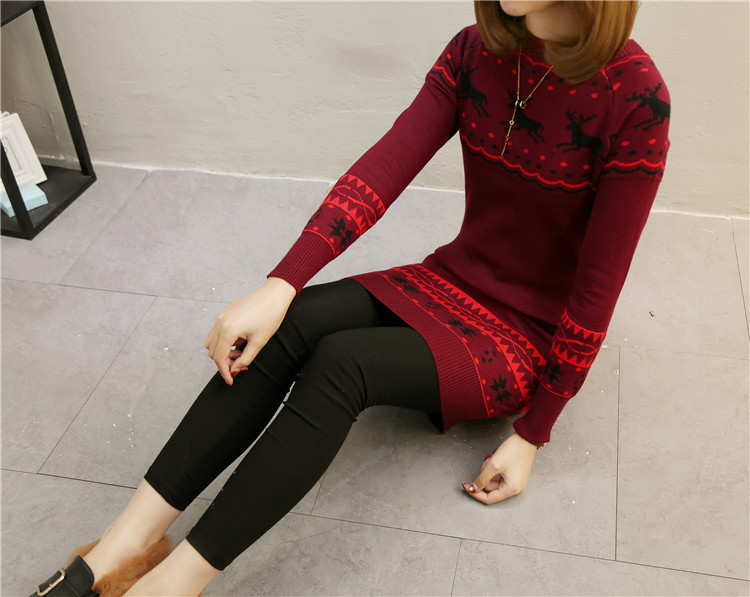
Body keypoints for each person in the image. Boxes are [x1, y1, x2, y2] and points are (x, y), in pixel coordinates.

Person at [30, 1, 670, 596]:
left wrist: (532, 434)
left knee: (344, 365)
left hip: (523, 340)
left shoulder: (637, 99)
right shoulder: (475, 50)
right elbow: (381, 170)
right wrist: (282, 284)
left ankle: (173, 585)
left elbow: (597, 291)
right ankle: (122, 545)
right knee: (294, 322)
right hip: (449, 278)